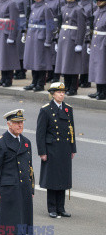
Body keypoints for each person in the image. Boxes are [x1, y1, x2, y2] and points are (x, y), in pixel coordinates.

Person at [36, 82, 75, 218]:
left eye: (63, 92)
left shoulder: (68, 109)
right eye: (59, 92)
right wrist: (42, 152)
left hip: (64, 148)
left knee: (63, 178)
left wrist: (73, 148)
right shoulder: (46, 110)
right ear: (53, 94)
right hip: (51, 149)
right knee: (52, 179)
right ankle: (52, 208)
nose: (62, 94)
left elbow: (71, 130)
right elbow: (40, 133)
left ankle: (61, 208)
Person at [54, 0, 86, 96]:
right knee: (65, 65)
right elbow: (60, 24)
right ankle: (66, 86)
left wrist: (79, 42)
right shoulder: (63, 8)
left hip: (72, 39)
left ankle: (73, 87)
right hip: (63, 38)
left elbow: (81, 27)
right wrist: (57, 40)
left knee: (73, 65)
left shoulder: (79, 9)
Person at [23, 0, 54, 92]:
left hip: (40, 38)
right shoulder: (34, 6)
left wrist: (48, 40)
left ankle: (40, 83)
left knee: (40, 62)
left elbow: (50, 25)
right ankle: (34, 81)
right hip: (32, 36)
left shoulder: (46, 8)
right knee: (33, 60)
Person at [88, 0, 106, 100]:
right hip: (96, 40)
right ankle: (98, 90)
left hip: (103, 42)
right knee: (96, 67)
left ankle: (103, 91)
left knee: (102, 67)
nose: (98, 1)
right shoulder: (97, 10)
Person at [10, 0, 29, 80]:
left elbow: (27, 14)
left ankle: (21, 71)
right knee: (13, 49)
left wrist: (25, 29)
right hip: (13, 24)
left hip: (21, 24)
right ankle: (16, 70)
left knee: (20, 49)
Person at [45, 0, 64, 83]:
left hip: (55, 26)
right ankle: (50, 74)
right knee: (48, 53)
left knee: (55, 53)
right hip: (48, 26)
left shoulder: (60, 0)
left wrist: (56, 31)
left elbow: (59, 17)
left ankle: (56, 75)